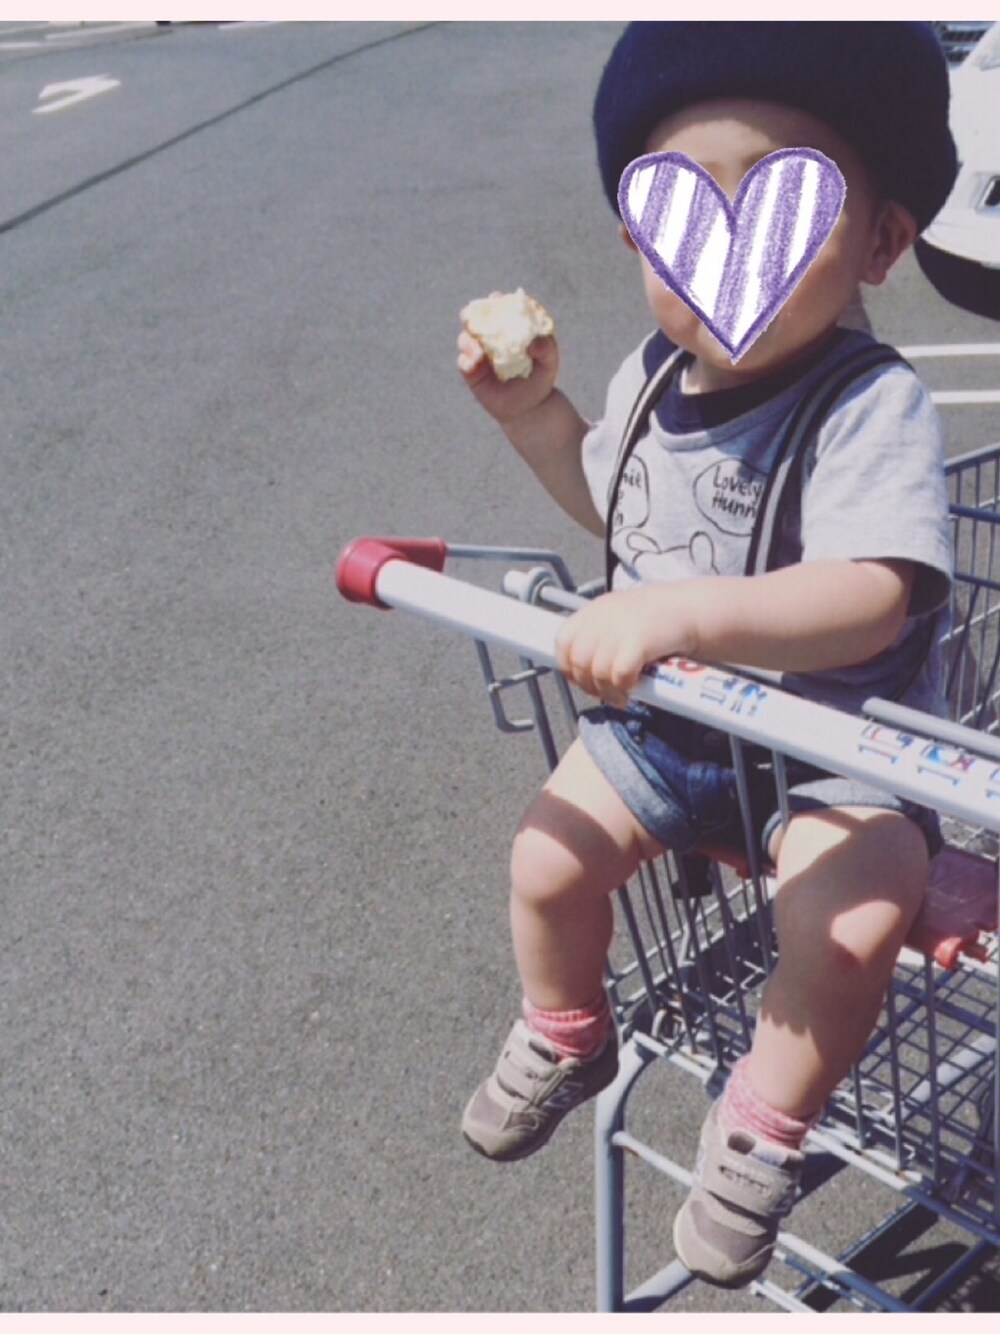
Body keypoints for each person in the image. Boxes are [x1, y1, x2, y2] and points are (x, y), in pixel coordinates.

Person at [455, 22, 957, 1289]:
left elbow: (871, 595)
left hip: (837, 752)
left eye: (778, 211)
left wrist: (680, 617)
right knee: (545, 857)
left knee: (851, 924)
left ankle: (762, 1121)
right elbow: (614, 505)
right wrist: (536, 419)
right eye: (682, 220)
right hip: (677, 732)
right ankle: (568, 1029)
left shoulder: (869, 403)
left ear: (881, 242)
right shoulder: (651, 377)